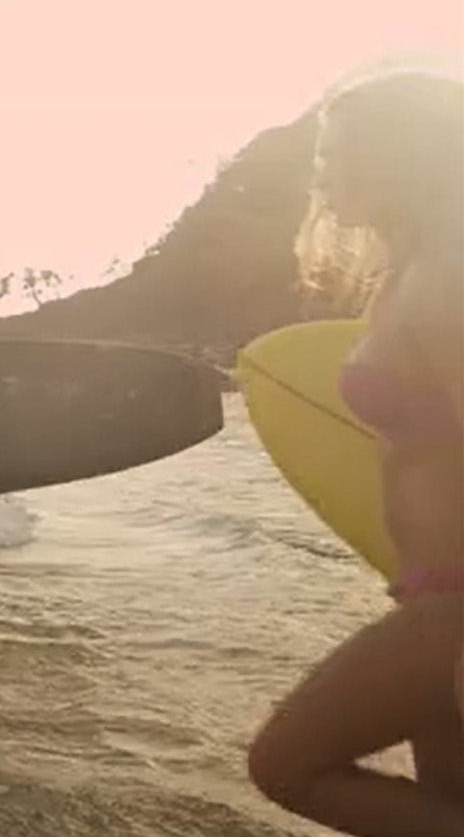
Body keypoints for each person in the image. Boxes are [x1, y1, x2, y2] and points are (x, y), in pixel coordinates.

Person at [246, 69, 464, 835]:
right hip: (426, 589)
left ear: (399, 159)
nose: (323, 176)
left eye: (338, 157)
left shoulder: (448, 277)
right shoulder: (402, 278)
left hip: (457, 609)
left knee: (285, 764)